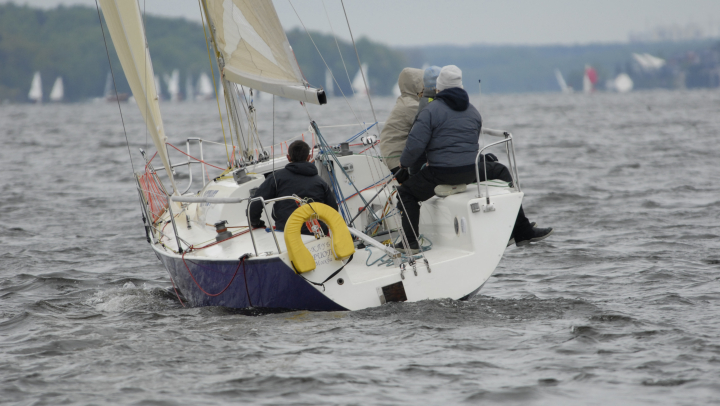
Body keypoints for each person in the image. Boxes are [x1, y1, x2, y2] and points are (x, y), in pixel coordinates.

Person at [395, 65, 553, 253]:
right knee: (501, 171)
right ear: (461, 87)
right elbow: (469, 145)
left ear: (439, 87)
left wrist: (403, 165)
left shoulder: (430, 111)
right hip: (471, 171)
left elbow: (415, 146)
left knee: (405, 193)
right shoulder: (473, 111)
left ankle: (411, 244)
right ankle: (522, 231)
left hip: (440, 174)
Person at [249, 140, 338, 234]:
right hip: (316, 233)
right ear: (309, 157)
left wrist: (256, 223)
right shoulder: (321, 182)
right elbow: (333, 211)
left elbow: (255, 203)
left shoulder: (276, 178)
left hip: (286, 233)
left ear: (288, 157)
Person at [379, 67, 424, 173]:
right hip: (398, 164)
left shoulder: (405, 101)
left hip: (391, 158)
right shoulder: (411, 106)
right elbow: (431, 124)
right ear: (416, 84)